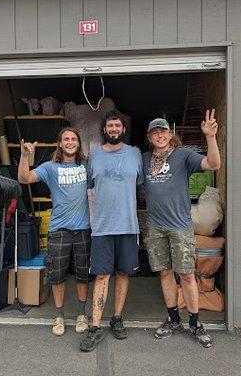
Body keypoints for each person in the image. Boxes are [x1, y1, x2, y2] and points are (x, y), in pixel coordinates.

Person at [142, 109, 221, 348]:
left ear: (170, 134)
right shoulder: (144, 158)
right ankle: (174, 319)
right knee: (165, 273)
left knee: (186, 274)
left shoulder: (183, 155)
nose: (160, 135)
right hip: (155, 227)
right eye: (155, 132)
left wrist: (210, 137)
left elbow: (213, 163)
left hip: (180, 227)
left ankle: (195, 323)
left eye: (163, 131)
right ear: (150, 137)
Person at [79, 109, 143, 352]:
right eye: (110, 126)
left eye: (117, 125)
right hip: (102, 228)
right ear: (104, 130)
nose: (114, 129)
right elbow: (88, 190)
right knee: (102, 275)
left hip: (128, 226)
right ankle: (95, 328)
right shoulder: (94, 156)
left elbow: (139, 186)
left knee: (124, 273)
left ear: (123, 129)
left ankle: (117, 319)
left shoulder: (135, 154)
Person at [18, 127, 91, 337]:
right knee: (57, 276)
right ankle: (59, 316)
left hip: (83, 230)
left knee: (82, 276)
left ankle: (81, 314)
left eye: (73, 139)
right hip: (59, 230)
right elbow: (24, 178)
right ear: (59, 143)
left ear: (78, 143)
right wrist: (25, 155)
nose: (70, 142)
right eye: (66, 139)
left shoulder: (87, 166)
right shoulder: (50, 167)